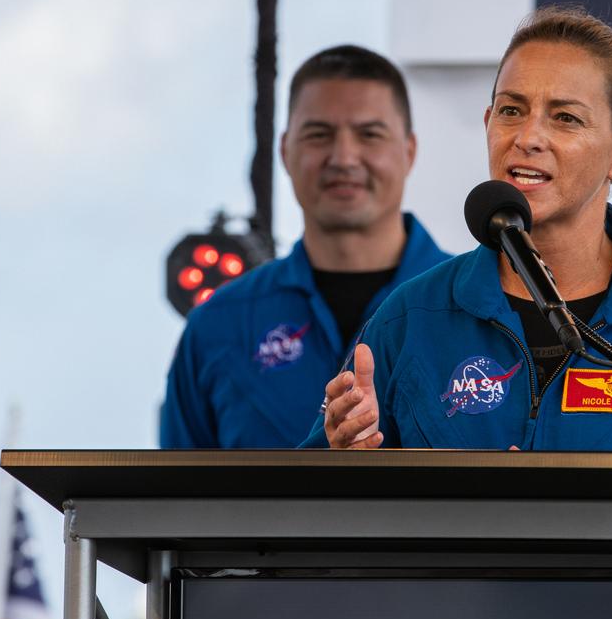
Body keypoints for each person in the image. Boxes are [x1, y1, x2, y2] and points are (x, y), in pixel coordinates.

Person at [302, 7, 612, 605]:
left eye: (565, 118)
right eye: (511, 110)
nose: (528, 137)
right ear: (488, 122)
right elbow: (304, 536)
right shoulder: (410, 316)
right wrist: (347, 465)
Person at [160, 45, 450, 448]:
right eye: (319, 135)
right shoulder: (215, 328)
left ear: (409, 151)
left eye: (369, 134)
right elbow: (171, 504)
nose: (344, 157)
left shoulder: (476, 308)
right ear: (285, 151)